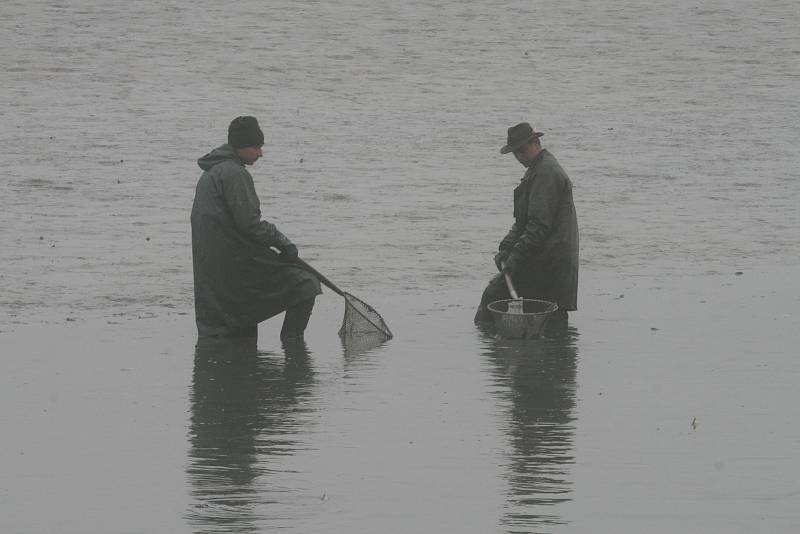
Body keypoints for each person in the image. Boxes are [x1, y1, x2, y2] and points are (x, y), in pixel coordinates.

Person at [191, 116, 321, 341]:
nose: (260, 153)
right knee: (306, 284)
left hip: (215, 266)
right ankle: (292, 345)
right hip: (234, 263)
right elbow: (250, 224)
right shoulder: (234, 174)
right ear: (241, 146)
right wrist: (283, 242)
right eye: (256, 147)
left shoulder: (212, 172)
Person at [474, 122, 579, 325]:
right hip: (542, 261)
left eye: (522, 150)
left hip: (550, 265)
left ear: (536, 143)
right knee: (547, 322)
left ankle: (493, 349)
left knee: (494, 295)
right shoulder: (536, 170)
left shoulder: (546, 173)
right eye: (515, 153)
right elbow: (523, 222)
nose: (519, 156)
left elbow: (538, 227)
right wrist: (506, 247)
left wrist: (514, 258)